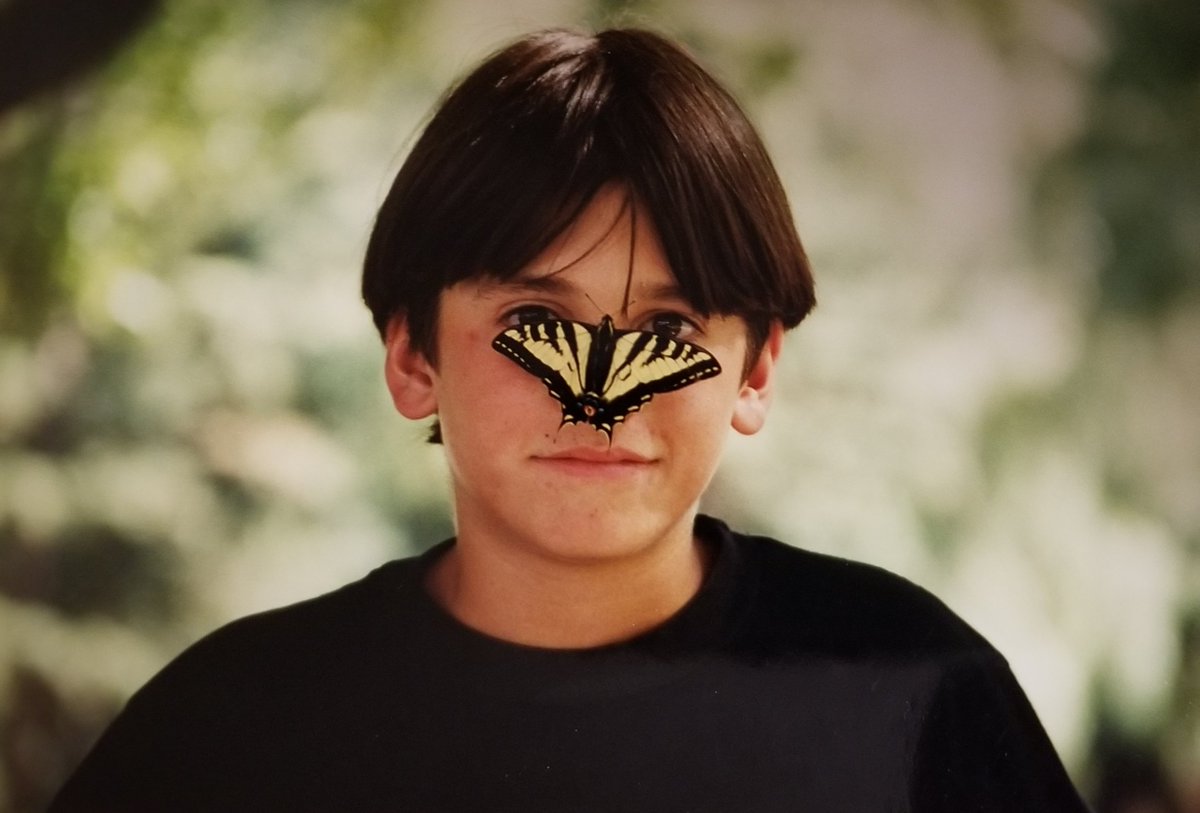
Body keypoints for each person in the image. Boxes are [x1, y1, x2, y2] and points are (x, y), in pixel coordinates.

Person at [50, 27, 1090, 812]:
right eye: (534, 322)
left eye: (668, 327)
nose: (594, 409)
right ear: (412, 357)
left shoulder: (912, 692)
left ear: (756, 369)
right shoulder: (227, 730)